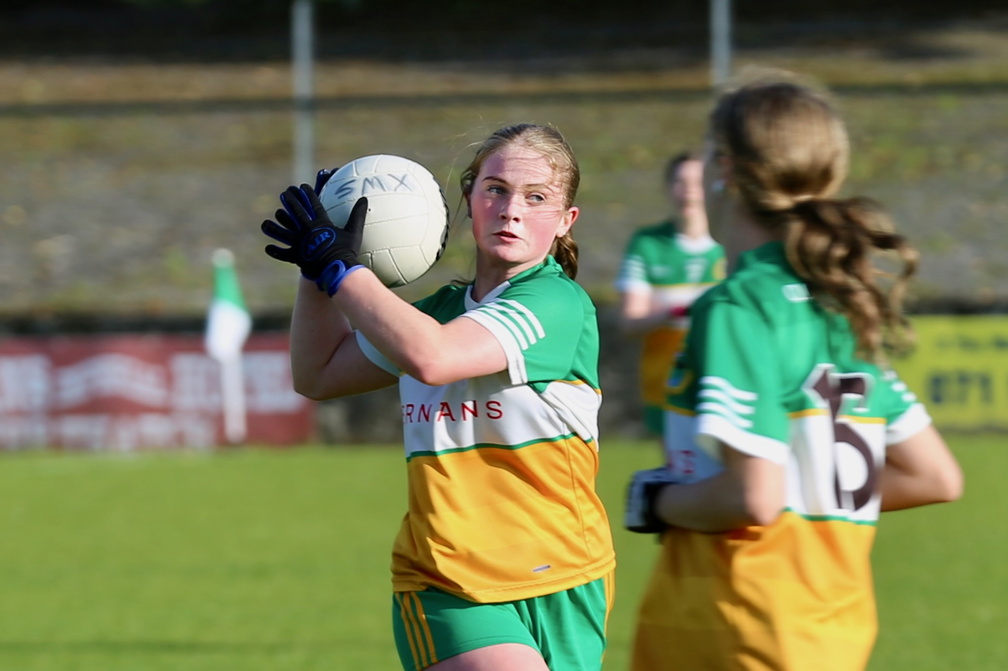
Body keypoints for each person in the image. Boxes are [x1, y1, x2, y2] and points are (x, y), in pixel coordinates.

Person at [623, 70, 964, 671]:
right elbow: (936, 477)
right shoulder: (841, 303)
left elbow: (752, 497)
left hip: (732, 630)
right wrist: (808, 492)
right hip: (829, 635)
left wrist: (657, 501)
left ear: (723, 169)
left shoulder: (739, 305)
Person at [260, 123, 615, 671]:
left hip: (568, 576)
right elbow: (319, 373)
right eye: (495, 189)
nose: (511, 209)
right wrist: (315, 268)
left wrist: (340, 268)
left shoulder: (557, 303)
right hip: (449, 583)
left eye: (536, 197)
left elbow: (436, 357)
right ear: (468, 200)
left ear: (566, 221)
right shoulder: (433, 313)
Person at [614, 151, 725, 437]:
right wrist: (674, 311)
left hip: (722, 379)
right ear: (668, 188)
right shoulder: (648, 244)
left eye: (697, 182)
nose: (689, 191)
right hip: (666, 381)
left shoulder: (730, 243)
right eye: (680, 181)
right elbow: (630, 321)